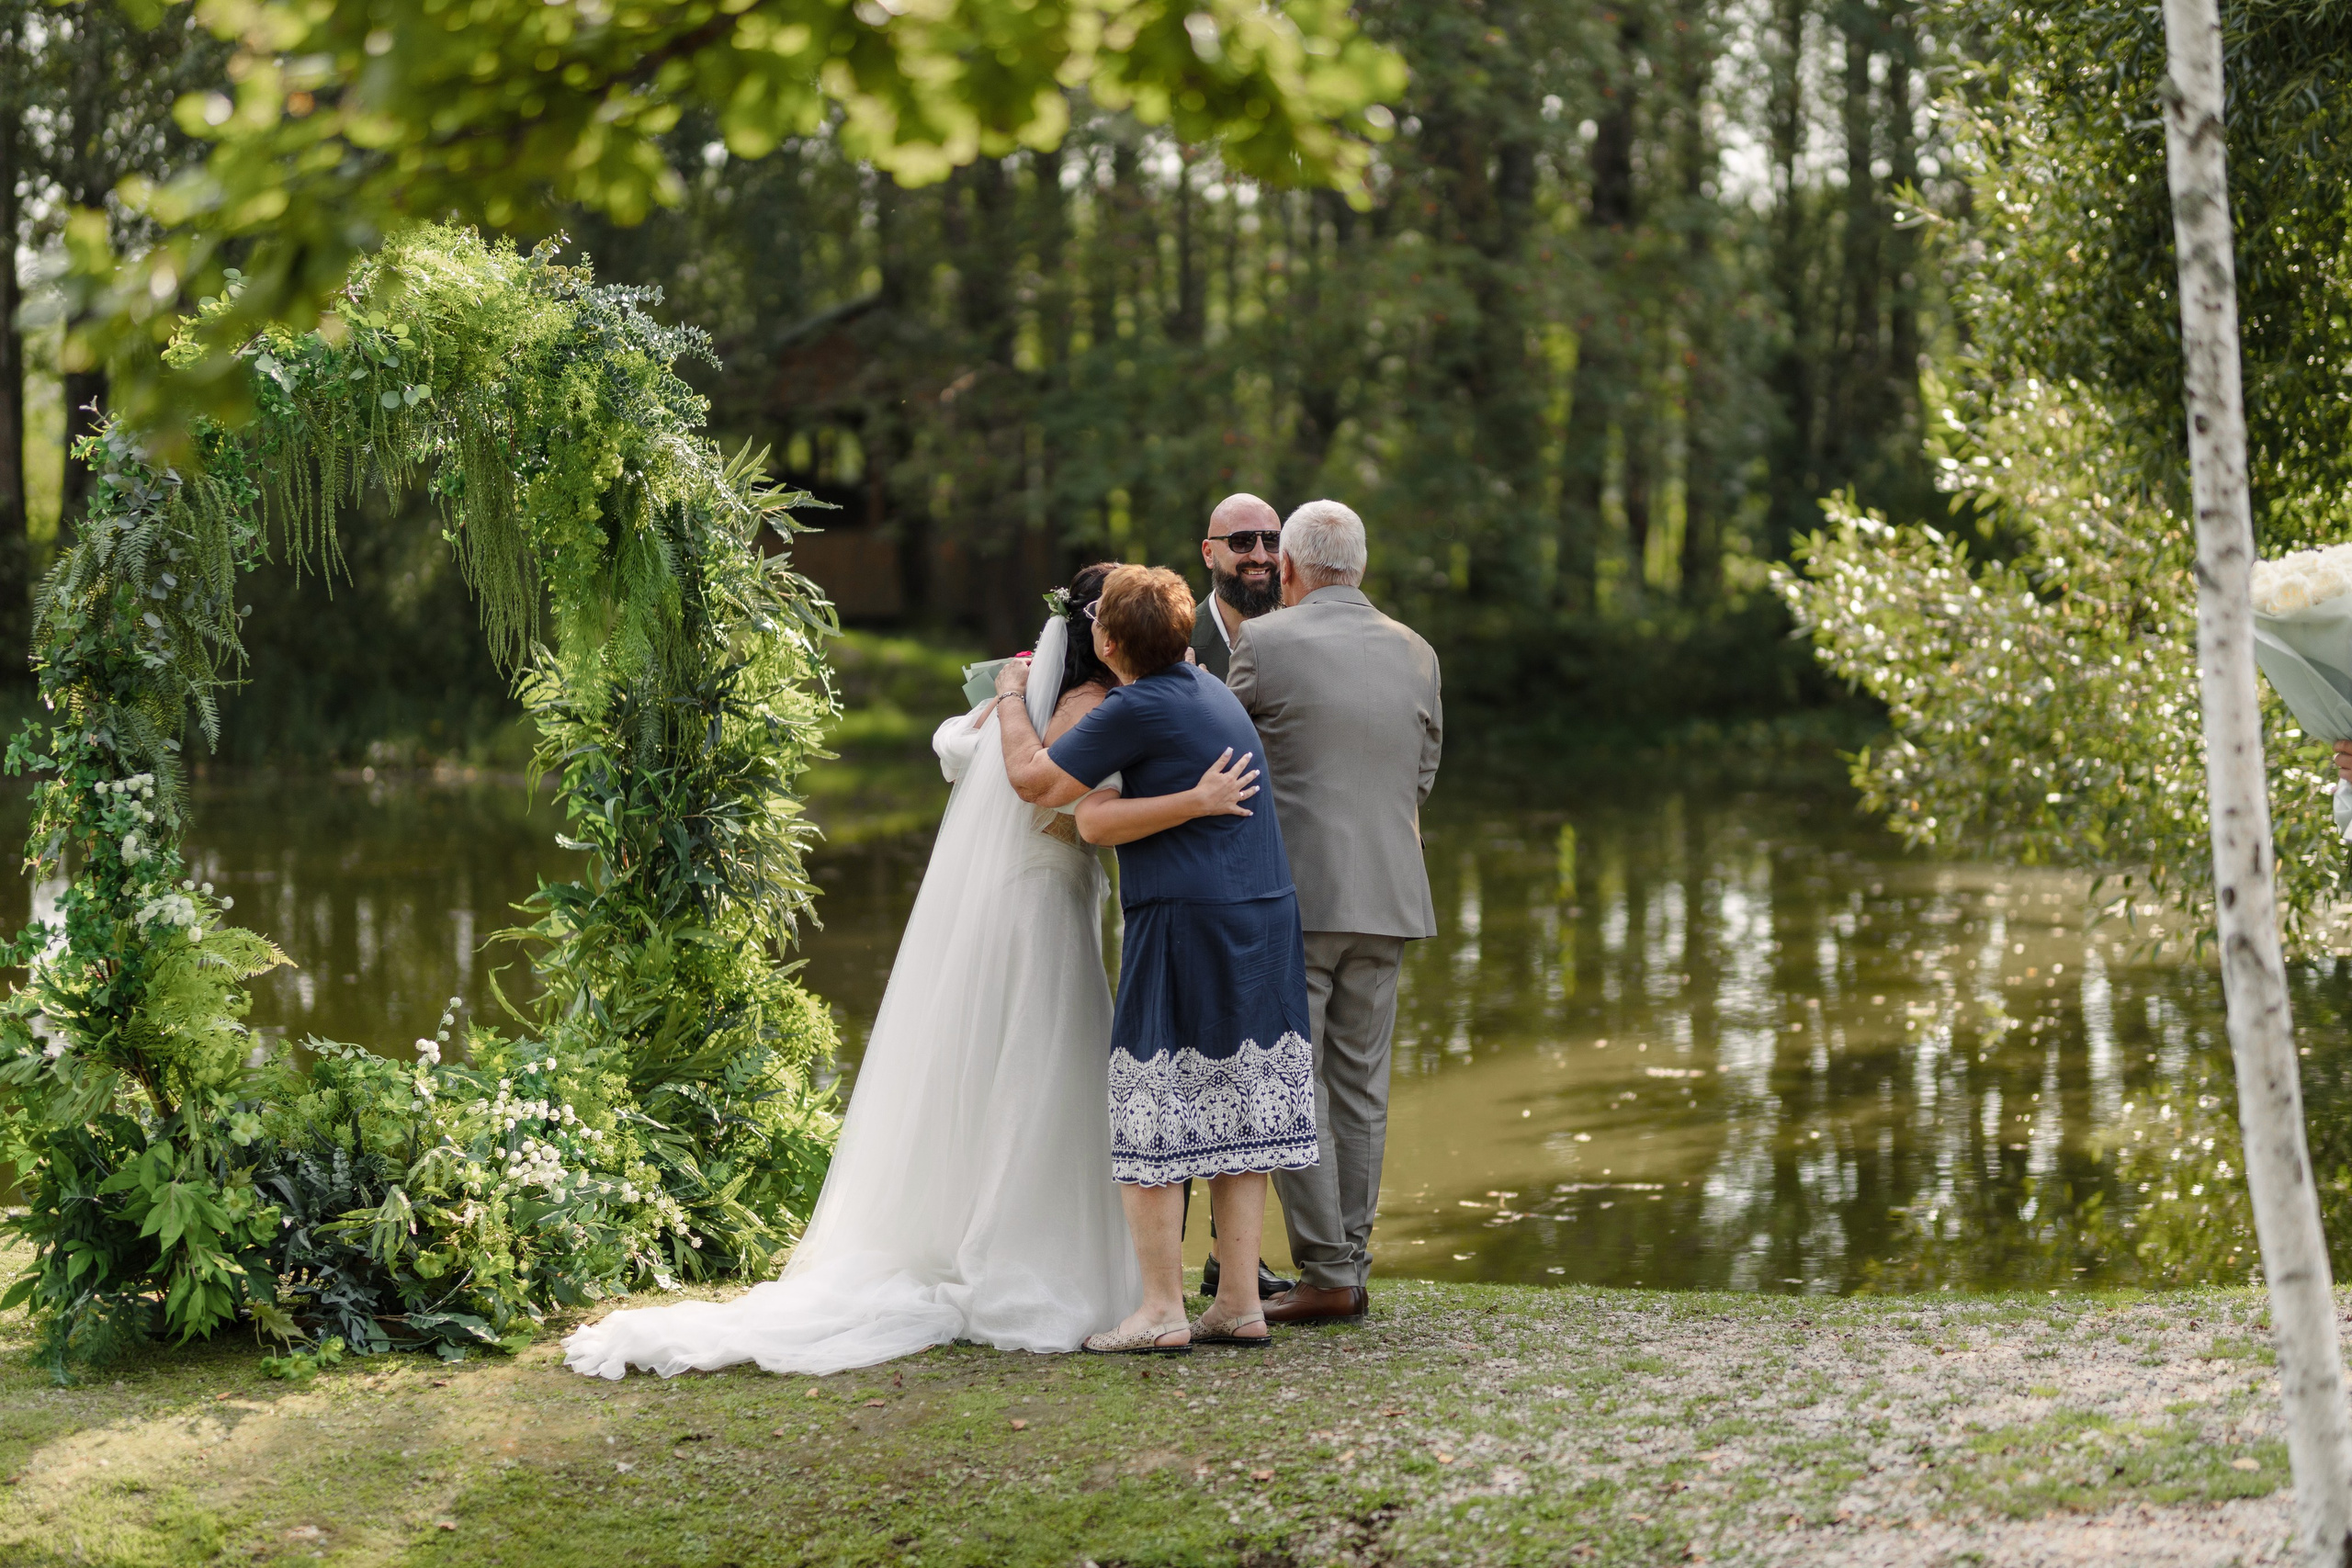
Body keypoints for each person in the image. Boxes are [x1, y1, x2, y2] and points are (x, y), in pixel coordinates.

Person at [560, 565, 1138, 1379]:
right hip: (1047, 902)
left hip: (1019, 899)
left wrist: (1006, 699)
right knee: (1041, 1064)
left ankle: (985, 1231)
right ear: (1105, 633)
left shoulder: (1035, 701)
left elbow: (950, 743)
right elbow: (1056, 798)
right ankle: (1025, 1259)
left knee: (1005, 1060)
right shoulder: (1090, 708)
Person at [997, 565, 1317, 1352]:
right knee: (1241, 1105)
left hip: (1188, 919)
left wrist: (1011, 696)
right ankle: (1238, 1302)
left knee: (1152, 1096)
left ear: (1107, 643)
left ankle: (1161, 1311)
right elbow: (1100, 818)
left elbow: (1034, 781)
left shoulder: (1135, 704)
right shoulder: (1209, 690)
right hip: (1264, 915)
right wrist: (1121, 812)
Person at [1228, 500, 1442, 1325]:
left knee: (1294, 1076)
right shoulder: (1416, 651)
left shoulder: (1264, 643)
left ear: (1287, 569)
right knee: (1361, 1083)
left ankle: (1326, 1272)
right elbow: (1422, 769)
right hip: (1390, 895)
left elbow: (1218, 745)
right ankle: (1349, 1260)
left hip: (1297, 897)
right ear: (1360, 567)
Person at [1191, 492, 1284, 681]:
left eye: (1271, 540)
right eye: (1241, 541)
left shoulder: (1307, 638)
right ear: (1209, 553)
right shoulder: (1176, 645)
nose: (1260, 556)